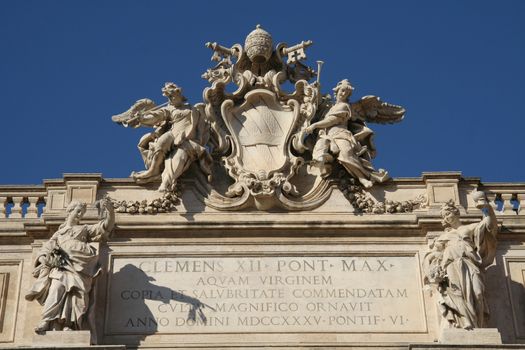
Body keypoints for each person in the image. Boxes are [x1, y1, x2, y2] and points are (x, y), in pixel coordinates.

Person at [25, 198, 115, 332]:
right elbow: (46, 248)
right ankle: (46, 320)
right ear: (70, 211)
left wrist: (109, 211)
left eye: (82, 213)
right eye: (78, 211)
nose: (80, 215)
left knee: (77, 296)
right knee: (56, 290)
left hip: (81, 267)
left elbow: (105, 226)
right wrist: (44, 258)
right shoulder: (59, 233)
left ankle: (70, 324)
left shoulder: (84, 229)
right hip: (62, 266)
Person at [423, 192, 498, 329]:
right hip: (451, 266)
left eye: (448, 214)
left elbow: (489, 225)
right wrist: (434, 270)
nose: (447, 217)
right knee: (456, 295)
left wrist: (486, 208)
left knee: (478, 292)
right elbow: (433, 256)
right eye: (444, 216)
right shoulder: (443, 236)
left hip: (469, 264)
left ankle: (478, 324)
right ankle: (465, 321)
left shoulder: (468, 228)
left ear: (455, 213)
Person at [125, 82, 212, 192]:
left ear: (178, 94)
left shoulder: (193, 109)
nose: (170, 99)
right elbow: (156, 116)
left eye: (171, 96)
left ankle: (166, 183)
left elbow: (199, 129)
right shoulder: (170, 108)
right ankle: (153, 170)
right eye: (168, 97)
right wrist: (142, 118)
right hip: (172, 133)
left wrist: (194, 140)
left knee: (179, 158)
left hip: (186, 138)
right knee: (161, 142)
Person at [303, 79, 388, 188]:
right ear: (337, 91)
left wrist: (315, 125)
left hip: (340, 133)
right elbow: (316, 105)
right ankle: (322, 162)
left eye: (347, 93)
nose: (344, 94)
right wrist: (316, 91)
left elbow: (332, 120)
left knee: (346, 154)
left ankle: (363, 177)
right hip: (326, 135)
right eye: (342, 91)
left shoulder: (344, 106)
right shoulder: (330, 107)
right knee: (319, 147)